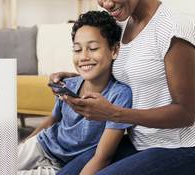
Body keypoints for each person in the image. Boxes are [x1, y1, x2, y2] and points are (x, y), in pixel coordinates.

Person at [52, 0, 195, 174]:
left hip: (186, 148)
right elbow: (129, 74)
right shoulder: (121, 26)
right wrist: (74, 79)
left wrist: (114, 113)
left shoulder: (173, 27)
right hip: (140, 142)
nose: (106, 4)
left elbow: (186, 113)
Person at [17, 11, 133, 175]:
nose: (84, 56)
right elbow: (52, 120)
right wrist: (25, 144)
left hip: (62, 165)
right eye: (77, 50)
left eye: (92, 48)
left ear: (114, 50)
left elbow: (103, 157)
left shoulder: (120, 95)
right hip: (41, 145)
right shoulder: (68, 84)